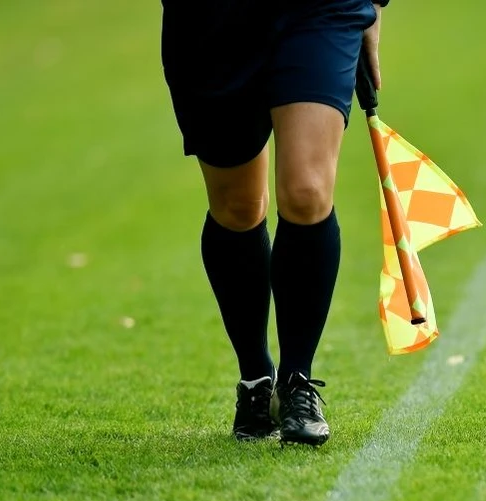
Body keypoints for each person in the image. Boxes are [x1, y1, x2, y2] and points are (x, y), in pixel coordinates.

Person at [160, 0, 389, 446]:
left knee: (307, 191)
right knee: (237, 206)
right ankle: (255, 382)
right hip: (210, 19)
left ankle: (297, 381)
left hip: (322, 7)